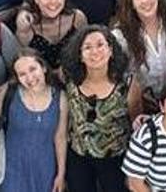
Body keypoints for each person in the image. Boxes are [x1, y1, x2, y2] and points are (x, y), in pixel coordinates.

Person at [61, 25, 144, 191]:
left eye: (100, 45)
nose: (95, 52)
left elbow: (137, 125)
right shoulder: (69, 80)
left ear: (111, 50)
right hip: (79, 158)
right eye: (87, 47)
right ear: (80, 56)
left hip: (116, 159)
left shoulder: (128, 84)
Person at [0, 50, 69, 192]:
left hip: (45, 170)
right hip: (11, 171)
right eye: (22, 74)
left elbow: (60, 138)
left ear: (43, 67)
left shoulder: (60, 98)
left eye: (32, 69)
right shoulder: (9, 93)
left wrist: (61, 174)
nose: (29, 77)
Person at [14, 0, 88, 70]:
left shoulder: (77, 18)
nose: (53, 2)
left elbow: (87, 49)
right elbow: (24, 63)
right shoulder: (27, 26)